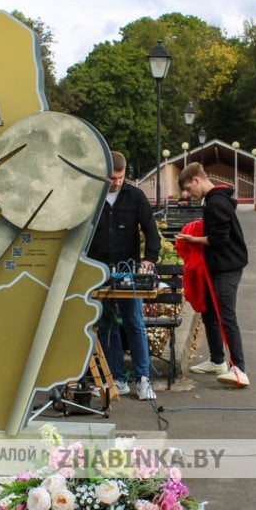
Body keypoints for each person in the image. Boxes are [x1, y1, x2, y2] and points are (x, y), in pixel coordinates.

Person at [87, 152, 161, 401]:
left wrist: (149, 260)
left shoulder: (135, 196)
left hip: (127, 268)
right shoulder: (92, 197)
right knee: (107, 324)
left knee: (134, 321)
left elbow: (151, 231)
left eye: (120, 177)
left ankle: (143, 378)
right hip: (99, 270)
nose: (116, 182)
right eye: (111, 178)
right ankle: (117, 378)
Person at [175, 162, 250, 387]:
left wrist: (192, 240)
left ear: (197, 179)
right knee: (208, 313)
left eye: (189, 188)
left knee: (226, 316)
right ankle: (218, 360)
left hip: (227, 268)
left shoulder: (216, 203)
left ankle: (239, 368)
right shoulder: (215, 200)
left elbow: (219, 239)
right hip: (218, 267)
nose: (188, 194)